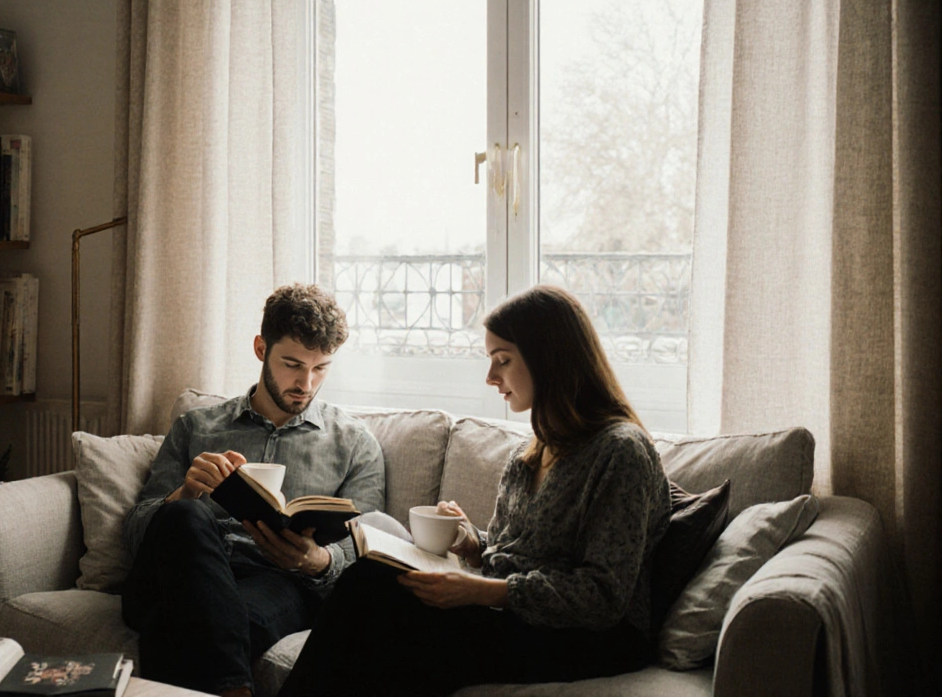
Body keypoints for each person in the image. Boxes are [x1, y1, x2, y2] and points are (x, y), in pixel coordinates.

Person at [278, 285, 672, 697]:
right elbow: (511, 553)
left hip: (594, 638)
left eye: (503, 360)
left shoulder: (620, 451)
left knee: (379, 603)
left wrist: (478, 591)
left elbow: (603, 596)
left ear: (549, 358)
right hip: (520, 616)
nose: (490, 377)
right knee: (372, 582)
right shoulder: (529, 454)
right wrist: (471, 543)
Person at [120, 283, 386, 697]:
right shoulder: (196, 425)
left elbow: (370, 547)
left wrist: (316, 560)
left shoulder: (353, 443)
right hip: (175, 564)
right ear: (262, 348)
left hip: (275, 580)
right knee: (187, 515)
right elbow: (137, 532)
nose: (306, 383)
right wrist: (185, 493)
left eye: (321, 368)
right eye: (293, 364)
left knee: (186, 623)